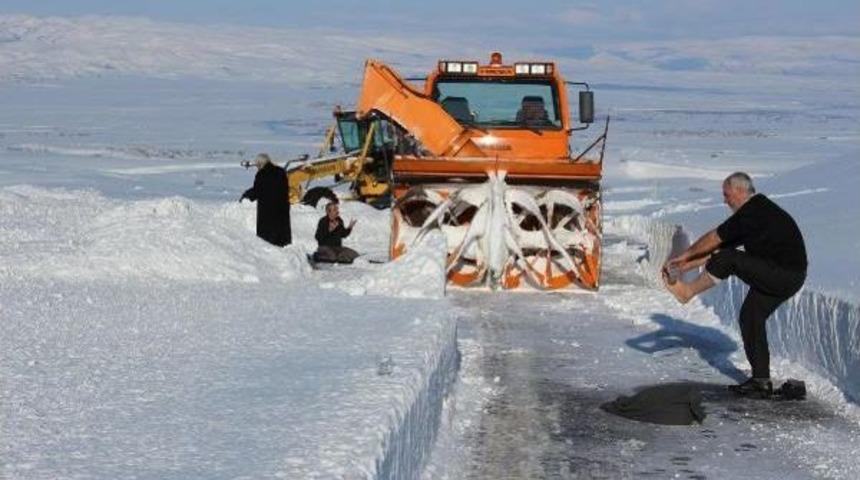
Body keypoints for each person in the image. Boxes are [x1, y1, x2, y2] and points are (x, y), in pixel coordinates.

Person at [662, 172, 807, 398]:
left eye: (726, 194)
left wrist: (686, 254)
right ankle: (761, 381)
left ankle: (687, 292)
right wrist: (684, 266)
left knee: (730, 259)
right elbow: (718, 251)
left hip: (784, 274)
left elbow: (715, 238)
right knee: (750, 316)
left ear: (740, 191)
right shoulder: (754, 215)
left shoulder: (754, 211)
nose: (725, 200)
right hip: (787, 276)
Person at [240, 153, 291, 247]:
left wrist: (246, 195)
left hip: (267, 211)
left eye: (257, 166)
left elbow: (257, 191)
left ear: (260, 164)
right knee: (281, 238)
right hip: (282, 209)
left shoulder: (261, 174)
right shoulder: (281, 171)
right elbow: (286, 189)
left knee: (267, 241)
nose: (257, 168)